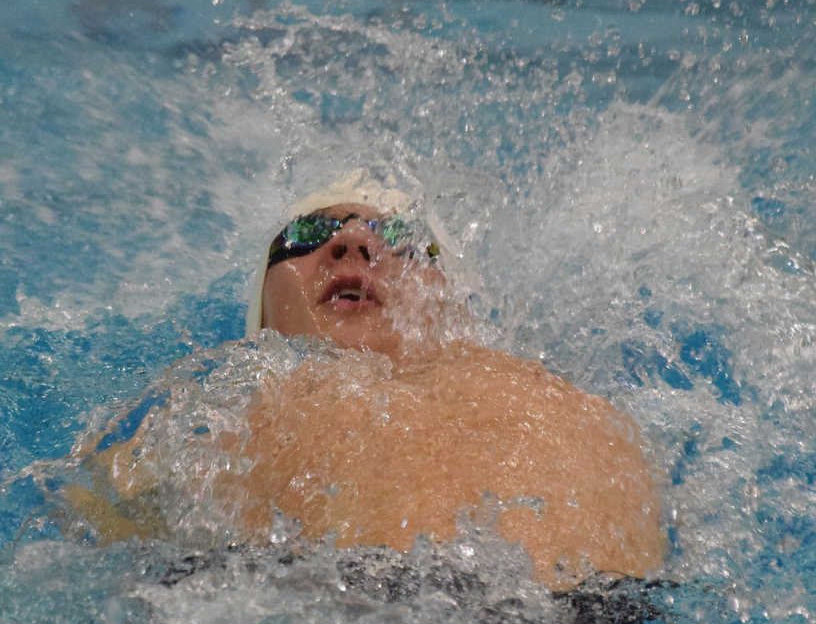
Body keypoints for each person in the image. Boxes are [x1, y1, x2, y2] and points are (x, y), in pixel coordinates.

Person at [70, 174, 664, 592]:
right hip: (311, 615)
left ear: (451, 302)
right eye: (305, 233)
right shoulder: (203, 410)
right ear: (263, 314)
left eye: (403, 240)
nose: (354, 243)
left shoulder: (565, 404)